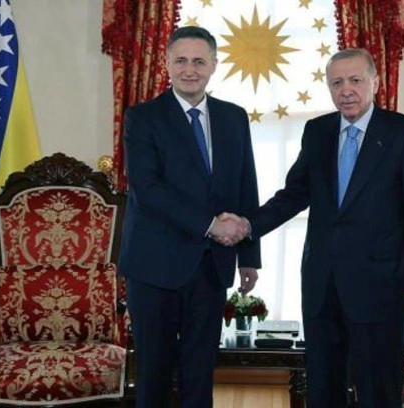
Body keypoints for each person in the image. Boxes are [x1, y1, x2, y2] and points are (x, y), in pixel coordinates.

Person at [218, 48, 404, 408]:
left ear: (375, 82)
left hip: (380, 286)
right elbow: (294, 195)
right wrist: (247, 225)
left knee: (378, 391)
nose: (346, 90)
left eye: (355, 80)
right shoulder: (317, 131)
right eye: (337, 82)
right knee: (322, 389)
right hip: (322, 284)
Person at [117, 26, 260, 408]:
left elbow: (246, 185)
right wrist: (212, 226)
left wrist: (249, 255)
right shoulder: (142, 118)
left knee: (200, 374)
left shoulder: (234, 117)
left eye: (199, 61)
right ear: (166, 64)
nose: (189, 69)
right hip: (153, 267)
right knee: (154, 376)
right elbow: (147, 190)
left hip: (210, 267)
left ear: (214, 65)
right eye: (180, 60)